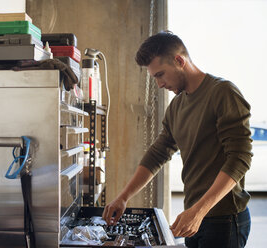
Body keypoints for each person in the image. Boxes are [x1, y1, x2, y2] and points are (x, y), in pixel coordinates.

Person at [102, 31, 252, 248]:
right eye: (155, 77)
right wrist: (123, 197)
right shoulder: (177, 106)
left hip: (224, 218)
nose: (159, 84)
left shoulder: (223, 93)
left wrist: (200, 210)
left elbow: (240, 157)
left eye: (160, 74)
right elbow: (158, 153)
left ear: (180, 61)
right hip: (193, 215)